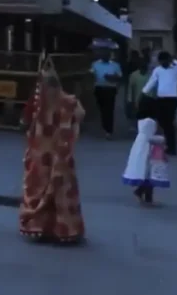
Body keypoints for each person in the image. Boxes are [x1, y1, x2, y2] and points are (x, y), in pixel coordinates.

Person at [19, 62, 86, 245]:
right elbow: (80, 115)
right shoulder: (69, 101)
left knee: (38, 188)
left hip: (40, 154)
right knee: (61, 190)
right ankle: (65, 229)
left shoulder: (37, 102)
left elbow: (24, 124)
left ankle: (38, 227)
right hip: (61, 154)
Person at [141, 51, 177, 155]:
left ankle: (172, 147)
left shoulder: (175, 70)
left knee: (169, 123)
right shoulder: (157, 70)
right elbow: (152, 81)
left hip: (172, 99)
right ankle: (168, 143)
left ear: (169, 60)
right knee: (162, 122)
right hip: (161, 99)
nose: (164, 63)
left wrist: (174, 60)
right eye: (162, 61)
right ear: (159, 62)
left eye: (166, 61)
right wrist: (144, 92)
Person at [121, 104, 170, 206]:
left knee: (148, 178)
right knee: (149, 178)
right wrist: (163, 140)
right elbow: (152, 138)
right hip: (149, 158)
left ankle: (146, 197)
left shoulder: (142, 130)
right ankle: (143, 195)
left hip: (146, 158)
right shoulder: (149, 124)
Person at [90, 47, 122, 139]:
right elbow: (91, 75)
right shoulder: (95, 64)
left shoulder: (115, 65)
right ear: (101, 55)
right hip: (99, 88)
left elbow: (119, 77)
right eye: (104, 54)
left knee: (109, 109)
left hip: (110, 89)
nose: (106, 56)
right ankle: (104, 126)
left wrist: (112, 77)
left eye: (108, 54)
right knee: (102, 108)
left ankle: (109, 130)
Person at [125, 56, 152, 124]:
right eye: (142, 66)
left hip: (148, 99)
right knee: (138, 115)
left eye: (145, 66)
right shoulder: (134, 75)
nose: (144, 68)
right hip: (138, 99)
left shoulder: (151, 75)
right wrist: (130, 99)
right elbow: (130, 88)